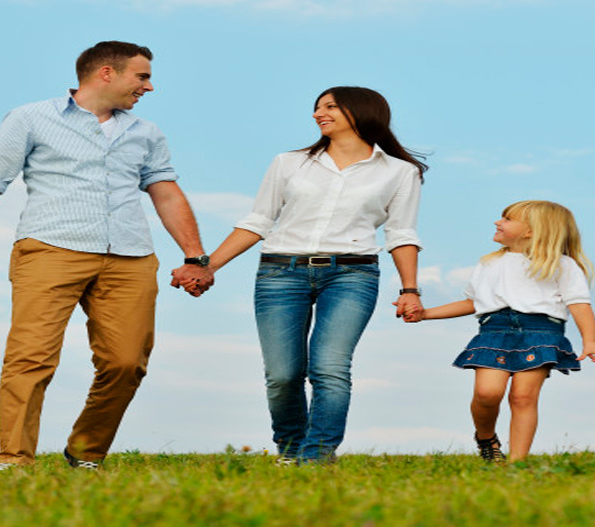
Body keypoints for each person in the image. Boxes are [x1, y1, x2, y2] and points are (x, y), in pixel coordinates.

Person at [0, 41, 212, 470]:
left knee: (127, 362)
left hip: (130, 255)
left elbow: (165, 192)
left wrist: (195, 257)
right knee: (31, 357)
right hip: (51, 248)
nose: (149, 86)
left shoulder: (146, 132)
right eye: (141, 76)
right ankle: (14, 459)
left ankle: (86, 451)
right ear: (106, 73)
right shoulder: (31, 118)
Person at [175, 86, 427, 464]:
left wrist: (410, 289)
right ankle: (291, 450)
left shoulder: (399, 172)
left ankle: (317, 458)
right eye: (317, 108)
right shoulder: (289, 163)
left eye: (329, 107)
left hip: (352, 276)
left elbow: (402, 233)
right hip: (280, 273)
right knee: (283, 374)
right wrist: (207, 266)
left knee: (329, 367)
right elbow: (258, 220)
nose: (317, 114)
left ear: (360, 112)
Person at [403, 200, 595, 462]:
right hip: (494, 331)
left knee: (523, 397)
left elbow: (579, 304)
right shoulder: (488, 263)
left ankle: (516, 463)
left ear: (531, 231)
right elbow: (473, 303)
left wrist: (590, 341)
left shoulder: (562, 265)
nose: (498, 222)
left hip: (541, 332)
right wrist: (425, 314)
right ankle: (486, 438)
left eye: (507, 219)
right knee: (487, 394)